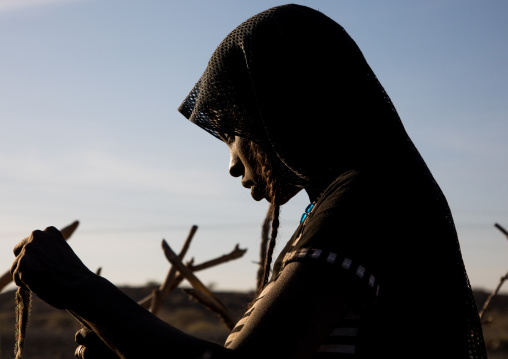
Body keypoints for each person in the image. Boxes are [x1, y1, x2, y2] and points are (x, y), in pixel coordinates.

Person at [10, 4, 487, 358]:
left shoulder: (362, 204)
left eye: (233, 130)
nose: (233, 163)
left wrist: (81, 287)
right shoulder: (359, 202)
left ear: (283, 108)